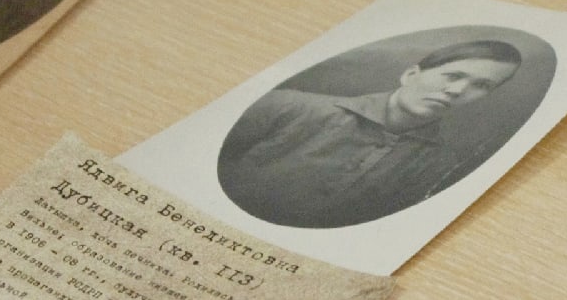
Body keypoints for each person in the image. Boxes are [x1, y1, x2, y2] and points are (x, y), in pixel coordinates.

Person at [217, 40, 524, 228]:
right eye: (453, 75)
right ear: (411, 75)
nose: (457, 90)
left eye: (481, 86)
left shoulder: (438, 166)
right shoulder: (287, 106)